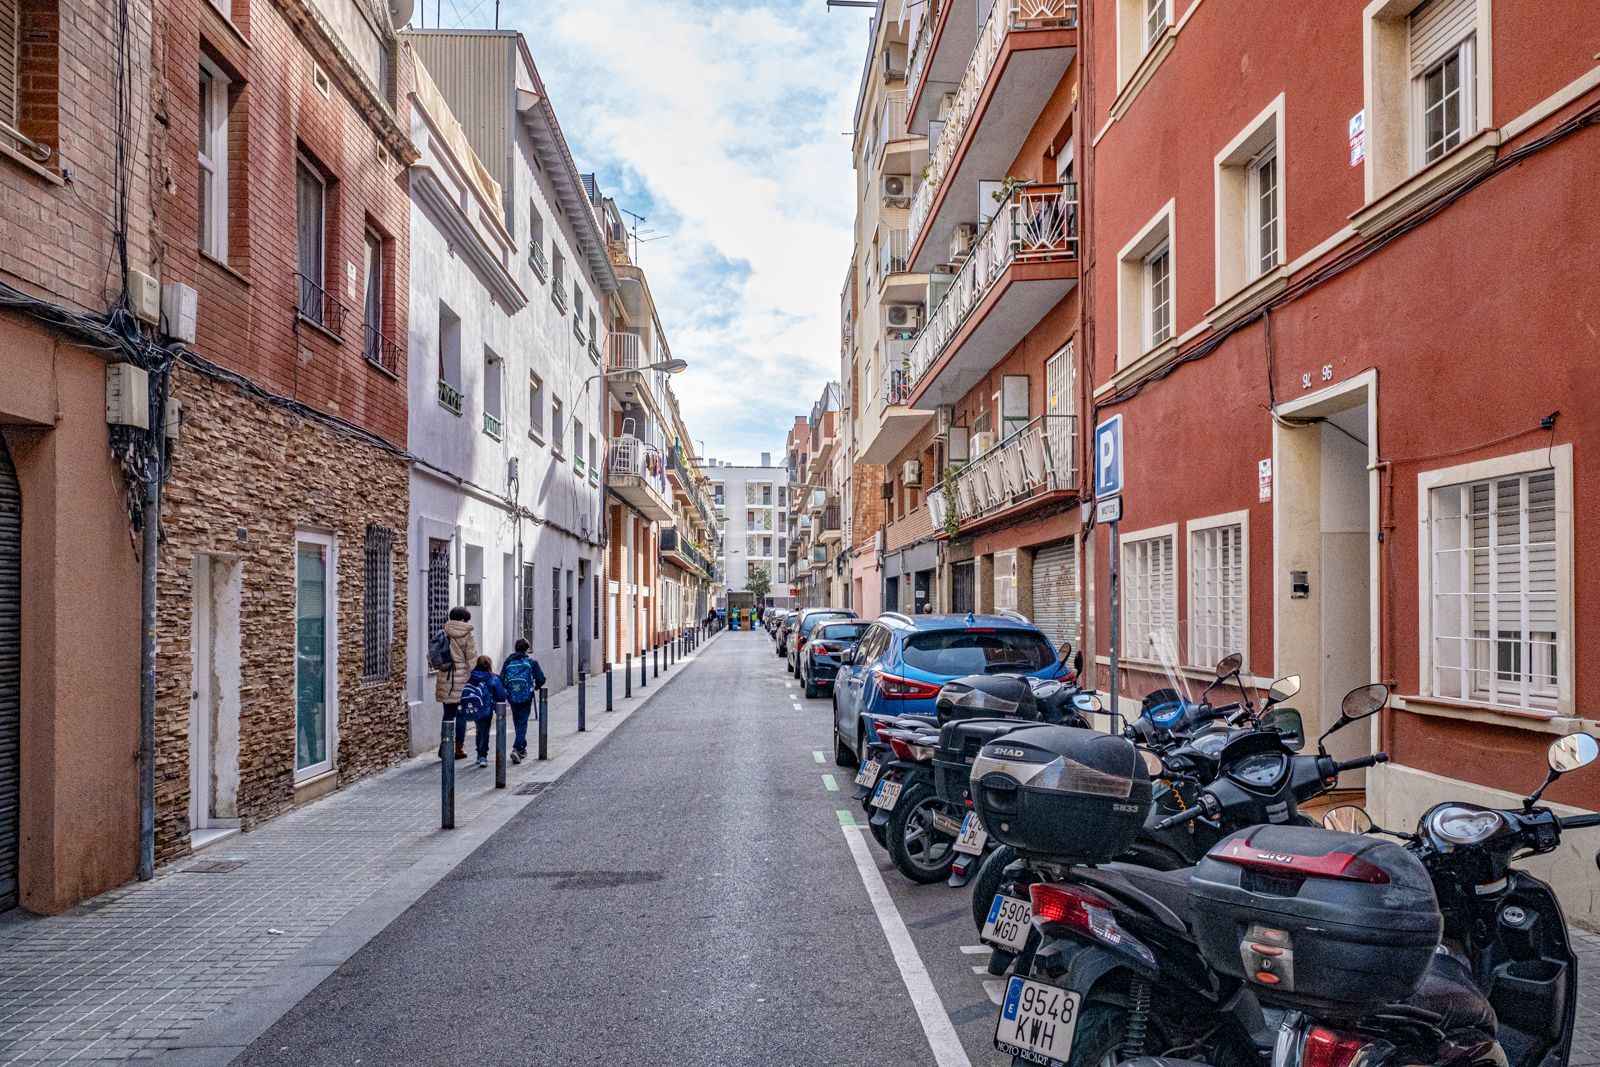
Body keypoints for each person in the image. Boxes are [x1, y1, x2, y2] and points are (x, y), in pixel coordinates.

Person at [435, 607, 477, 761]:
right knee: (461, 715)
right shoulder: (466, 635)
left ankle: (444, 747)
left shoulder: (443, 632)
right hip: (461, 680)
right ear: (464, 620)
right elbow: (472, 658)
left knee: (447, 714)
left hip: (445, 677)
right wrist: (478, 676)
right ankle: (458, 749)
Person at [499, 638, 547, 763]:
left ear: (515, 648)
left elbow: (502, 678)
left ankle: (521, 748)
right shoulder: (531, 662)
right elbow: (541, 679)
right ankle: (516, 748)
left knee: (517, 721)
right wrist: (535, 687)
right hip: (526, 696)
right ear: (527, 649)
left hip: (513, 697)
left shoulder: (508, 662)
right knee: (522, 722)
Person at [459, 656, 509, 768]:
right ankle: (482, 756)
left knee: (479, 730)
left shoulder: (472, 677)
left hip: (475, 708)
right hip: (487, 709)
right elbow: (501, 696)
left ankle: (478, 754)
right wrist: (499, 709)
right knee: (485, 732)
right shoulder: (493, 678)